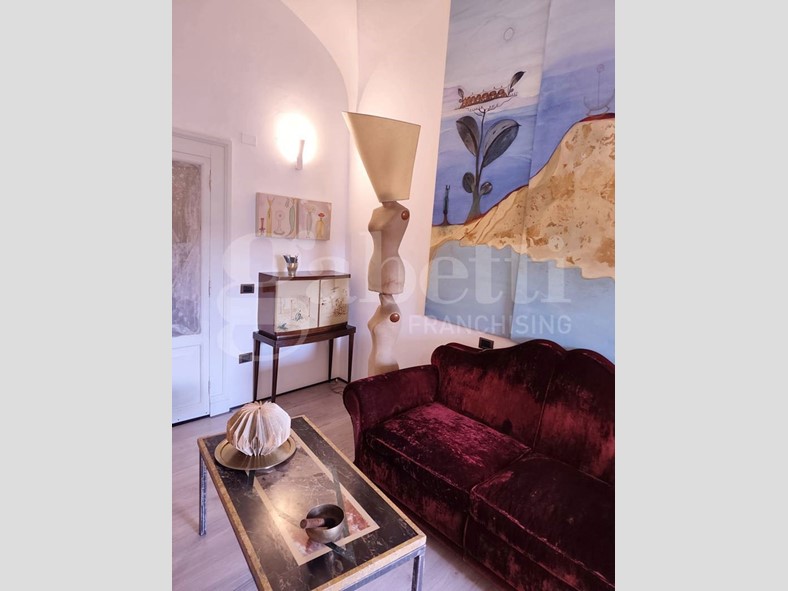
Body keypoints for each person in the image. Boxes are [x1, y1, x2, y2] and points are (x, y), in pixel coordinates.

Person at [367, 202, 410, 294]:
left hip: (391, 265)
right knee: (382, 298)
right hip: (374, 264)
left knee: (387, 300)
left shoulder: (402, 212)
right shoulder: (375, 212)